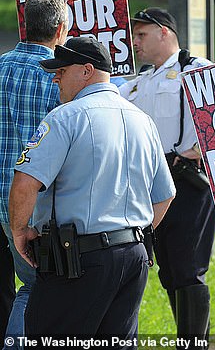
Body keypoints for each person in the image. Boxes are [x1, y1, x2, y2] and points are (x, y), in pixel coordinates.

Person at [9, 36, 175, 343]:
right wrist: (130, 235)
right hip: (132, 257)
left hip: (78, 262)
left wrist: (20, 232)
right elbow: (165, 195)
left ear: (87, 70)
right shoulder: (143, 120)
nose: (55, 77)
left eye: (61, 69)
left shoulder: (65, 117)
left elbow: (25, 182)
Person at [119, 7, 215, 345]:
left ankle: (195, 344)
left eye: (142, 34)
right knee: (169, 271)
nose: (135, 42)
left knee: (189, 270)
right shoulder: (137, 83)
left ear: (164, 32)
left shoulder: (197, 69)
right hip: (149, 185)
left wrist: (204, 149)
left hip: (188, 181)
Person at [0, 0, 68, 349]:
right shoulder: (58, 78)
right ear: (60, 29)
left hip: (0, 199)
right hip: (31, 209)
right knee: (37, 289)